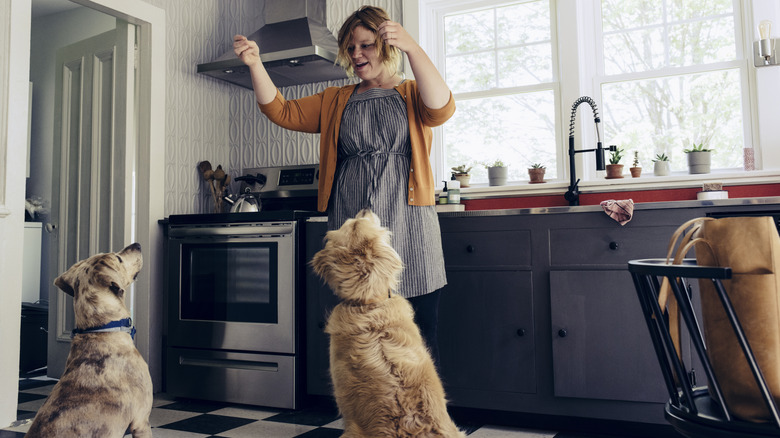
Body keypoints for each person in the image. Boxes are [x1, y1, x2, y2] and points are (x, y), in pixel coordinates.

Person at [233, 5, 455, 363]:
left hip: (410, 227)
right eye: (351, 48)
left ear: (387, 46)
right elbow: (281, 111)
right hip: (352, 231)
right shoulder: (336, 99)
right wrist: (256, 64)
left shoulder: (413, 92)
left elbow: (442, 108)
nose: (356, 54)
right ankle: (367, 413)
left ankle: (420, 415)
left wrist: (413, 48)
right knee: (360, 336)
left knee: (418, 333)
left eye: (365, 45)